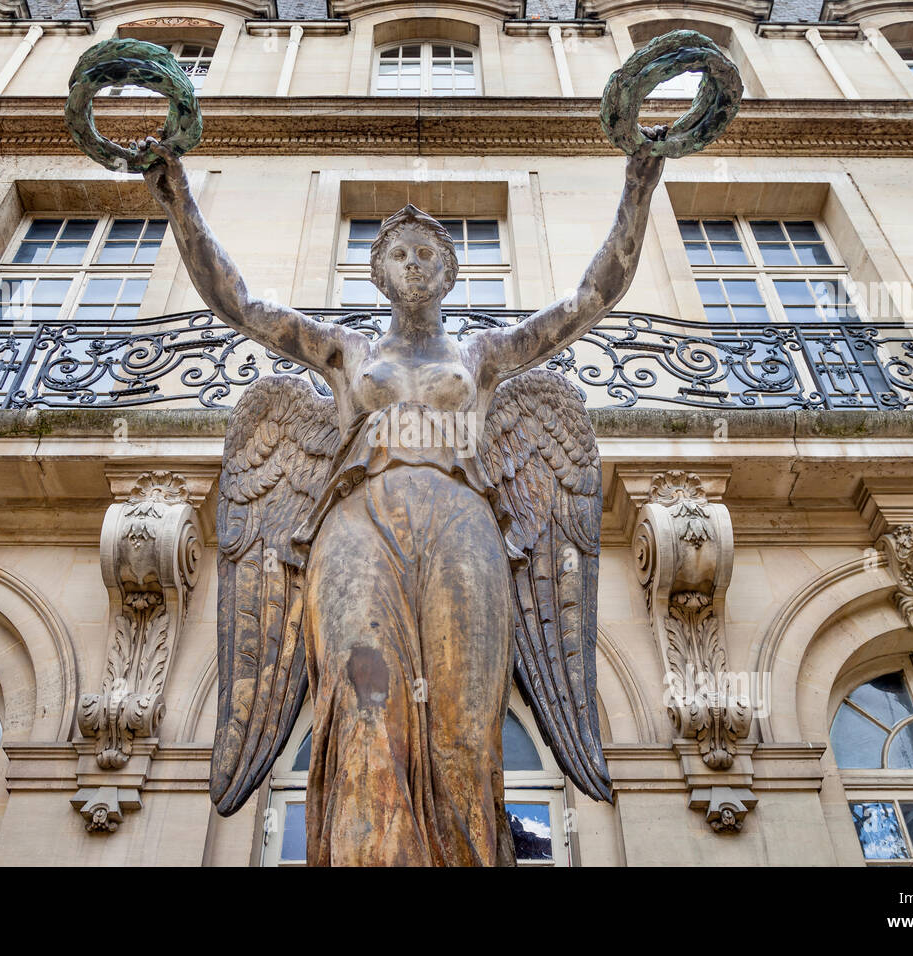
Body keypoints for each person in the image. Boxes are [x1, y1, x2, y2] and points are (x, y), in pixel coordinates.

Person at [133, 133, 667, 865]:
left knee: (463, 725)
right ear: (379, 274)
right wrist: (179, 198)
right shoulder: (346, 352)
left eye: (428, 254)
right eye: (400, 254)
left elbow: (590, 298)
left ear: (449, 273)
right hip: (358, 521)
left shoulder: (482, 356)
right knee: (362, 715)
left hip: (464, 519)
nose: (415, 262)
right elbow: (242, 302)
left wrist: (640, 183)